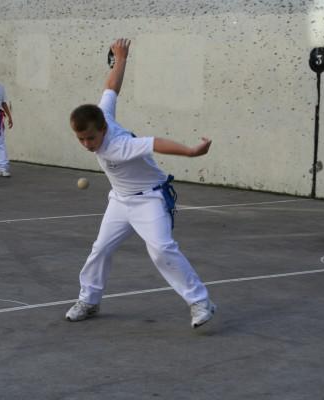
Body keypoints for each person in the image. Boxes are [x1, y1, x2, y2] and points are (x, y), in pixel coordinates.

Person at [66, 38, 216, 328]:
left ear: (103, 129)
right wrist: (121, 59)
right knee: (100, 249)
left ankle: (200, 302)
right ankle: (89, 300)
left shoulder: (118, 146)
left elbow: (156, 143)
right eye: (80, 139)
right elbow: (111, 89)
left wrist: (191, 152)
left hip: (150, 199)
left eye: (91, 138)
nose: (87, 144)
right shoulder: (102, 115)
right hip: (120, 200)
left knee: (161, 249)